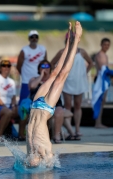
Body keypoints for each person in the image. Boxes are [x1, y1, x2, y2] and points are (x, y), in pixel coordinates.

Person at [26, 21, 83, 168]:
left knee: (56, 74)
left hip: (36, 105)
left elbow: (32, 163)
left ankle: (70, 43)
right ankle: (74, 41)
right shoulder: (45, 152)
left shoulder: (32, 154)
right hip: (44, 108)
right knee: (60, 75)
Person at [51, 30, 93, 136]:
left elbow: (91, 63)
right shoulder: (62, 52)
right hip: (67, 82)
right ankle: (70, 130)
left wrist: (84, 73)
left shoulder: (82, 52)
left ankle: (77, 129)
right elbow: (51, 63)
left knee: (78, 105)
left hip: (79, 82)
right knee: (68, 106)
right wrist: (58, 75)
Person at [29, 59, 80, 143]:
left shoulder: (53, 79)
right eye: (43, 66)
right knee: (61, 117)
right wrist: (41, 76)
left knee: (59, 111)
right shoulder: (34, 79)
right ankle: (67, 133)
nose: (45, 68)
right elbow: (32, 86)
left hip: (55, 103)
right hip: (40, 105)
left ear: (50, 68)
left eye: (47, 66)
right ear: (38, 69)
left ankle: (57, 136)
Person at [16, 30, 47, 139]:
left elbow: (45, 63)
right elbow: (18, 66)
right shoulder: (24, 50)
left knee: (39, 106)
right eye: (32, 37)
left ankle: (36, 133)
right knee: (24, 107)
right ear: (29, 38)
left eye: (36, 36)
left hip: (40, 81)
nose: (34, 38)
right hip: (26, 82)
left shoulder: (43, 49)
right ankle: (21, 134)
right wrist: (25, 76)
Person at [92, 38, 111, 128]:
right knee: (99, 101)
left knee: (102, 101)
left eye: (108, 45)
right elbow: (102, 69)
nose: (106, 46)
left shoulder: (105, 55)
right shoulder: (99, 55)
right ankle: (97, 122)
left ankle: (99, 122)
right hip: (100, 80)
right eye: (105, 44)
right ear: (101, 44)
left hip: (104, 80)